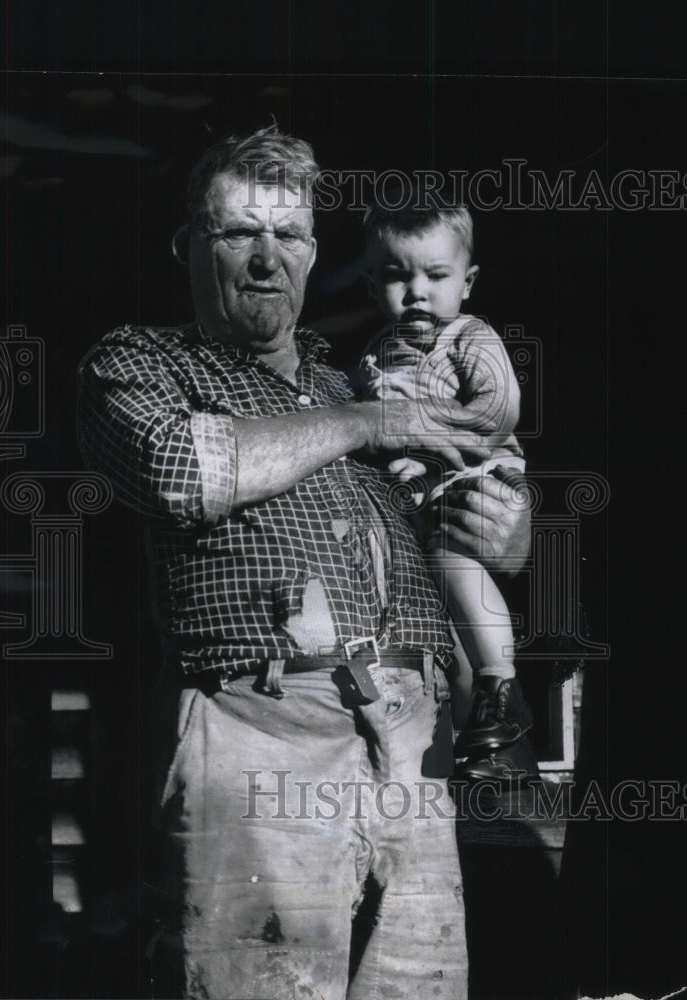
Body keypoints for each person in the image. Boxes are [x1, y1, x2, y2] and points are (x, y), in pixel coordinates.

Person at [77, 126, 530, 1000]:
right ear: (188, 246)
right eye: (238, 233)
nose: (264, 258)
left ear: (316, 253)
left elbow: (465, 527)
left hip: (414, 753)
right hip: (261, 738)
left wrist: (508, 533)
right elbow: (182, 471)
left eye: (287, 236)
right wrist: (371, 425)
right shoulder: (139, 360)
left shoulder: (353, 377)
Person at [359, 192, 538, 781]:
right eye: (395, 276)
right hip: (420, 489)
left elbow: (497, 413)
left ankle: (500, 685)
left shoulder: (470, 336)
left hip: (475, 476)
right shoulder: (377, 355)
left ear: (467, 282)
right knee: (432, 599)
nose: (416, 291)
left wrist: (418, 425)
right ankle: (480, 734)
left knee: (452, 561)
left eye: (436, 275)